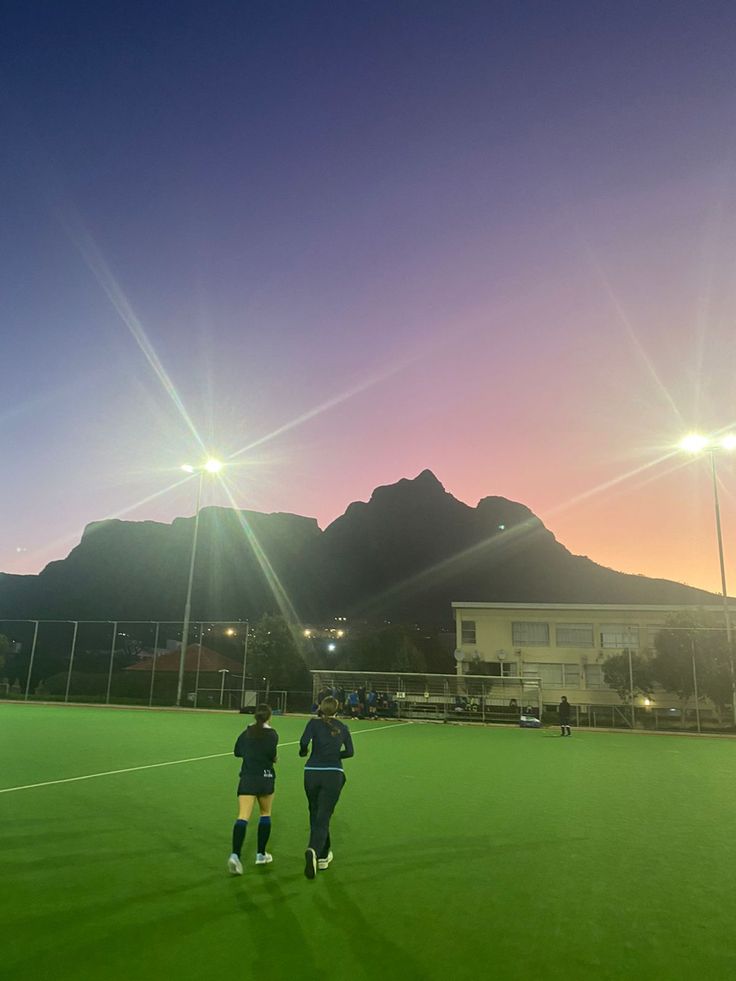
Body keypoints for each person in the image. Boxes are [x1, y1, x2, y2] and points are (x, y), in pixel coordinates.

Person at [299, 695, 354, 879]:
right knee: (323, 816)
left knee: (315, 812)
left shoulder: (313, 724)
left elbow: (303, 743)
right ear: (337, 710)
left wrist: (304, 752)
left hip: (311, 772)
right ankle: (313, 850)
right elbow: (350, 752)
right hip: (333, 773)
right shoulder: (343, 727)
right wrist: (336, 756)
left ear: (321, 708)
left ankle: (323, 856)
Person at [227, 703, 278, 875]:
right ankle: (261, 854)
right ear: (269, 717)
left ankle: (235, 855)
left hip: (248, 777)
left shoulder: (247, 733)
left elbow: (237, 752)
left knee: (242, 816)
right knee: (265, 813)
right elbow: (272, 755)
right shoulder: (272, 734)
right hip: (265, 777)